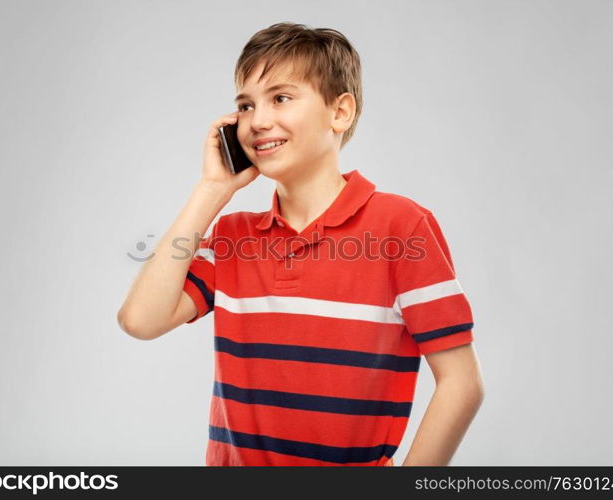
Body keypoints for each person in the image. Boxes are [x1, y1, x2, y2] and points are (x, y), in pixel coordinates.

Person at [117, 22, 485, 467]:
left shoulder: (401, 228)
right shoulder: (233, 237)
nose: (258, 120)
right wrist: (212, 190)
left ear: (340, 113)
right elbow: (141, 320)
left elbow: (462, 383)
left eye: (281, 98)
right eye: (245, 105)